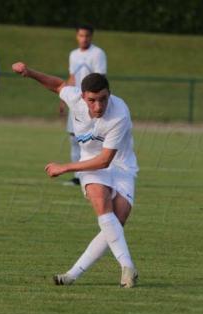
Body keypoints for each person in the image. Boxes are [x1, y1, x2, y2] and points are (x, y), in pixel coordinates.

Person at [12, 61, 138, 288]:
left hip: (121, 166)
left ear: (110, 94)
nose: (98, 106)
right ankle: (127, 267)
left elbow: (105, 160)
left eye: (103, 99)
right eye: (92, 100)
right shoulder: (75, 100)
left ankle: (72, 274)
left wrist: (65, 167)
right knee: (101, 204)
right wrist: (29, 72)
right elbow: (58, 85)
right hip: (90, 166)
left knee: (115, 223)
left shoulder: (120, 114)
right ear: (82, 97)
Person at [60, 25, 107, 186]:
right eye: (81, 35)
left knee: (93, 140)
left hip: (91, 103)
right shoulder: (73, 55)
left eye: (87, 36)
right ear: (76, 36)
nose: (84, 38)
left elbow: (100, 79)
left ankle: (96, 175)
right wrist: (63, 99)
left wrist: (95, 102)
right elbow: (72, 77)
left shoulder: (98, 53)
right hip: (76, 102)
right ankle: (77, 177)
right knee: (74, 139)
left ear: (91, 37)